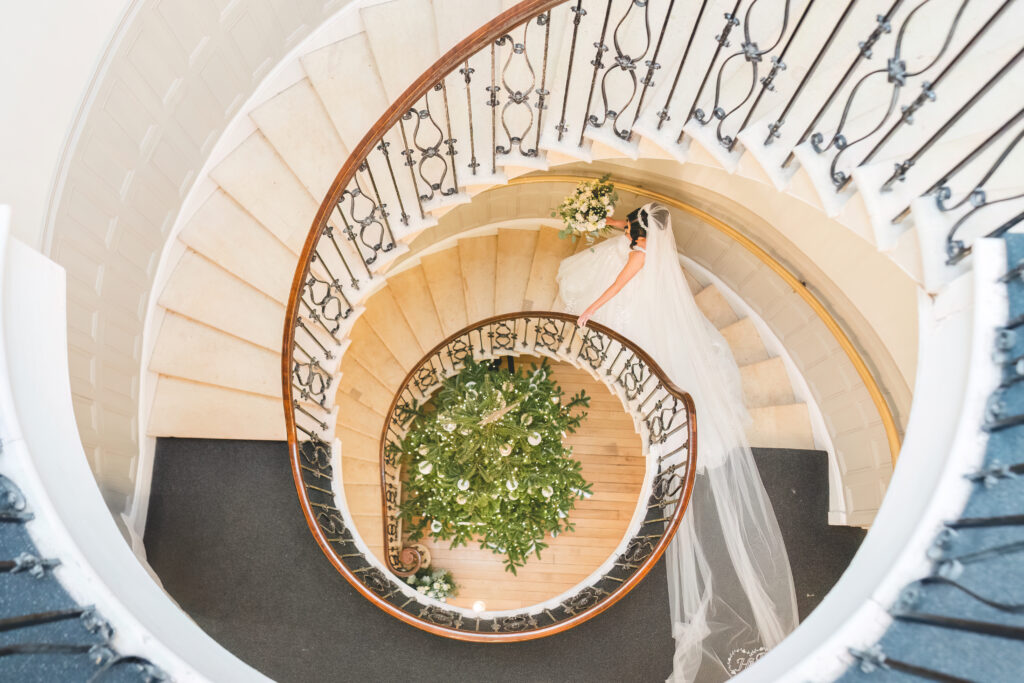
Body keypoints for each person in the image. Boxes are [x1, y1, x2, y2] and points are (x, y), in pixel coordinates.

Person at [557, 202, 799, 682]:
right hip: (646, 292)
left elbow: (622, 281)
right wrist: (596, 217)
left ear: (645, 233)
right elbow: (626, 225)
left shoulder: (640, 254)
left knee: (640, 341)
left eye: (636, 228)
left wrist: (590, 310)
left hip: (634, 297)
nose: (632, 227)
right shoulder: (643, 227)